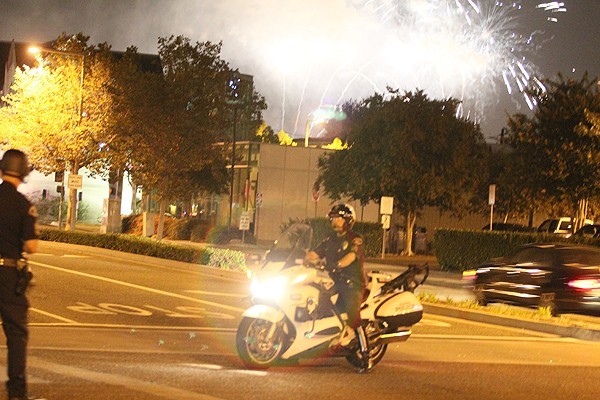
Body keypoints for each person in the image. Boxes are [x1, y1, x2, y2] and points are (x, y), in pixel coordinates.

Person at [0, 149, 43, 400]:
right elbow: (31, 246)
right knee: (16, 333)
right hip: (8, 274)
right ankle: (16, 392)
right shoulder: (23, 205)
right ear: (23, 173)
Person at [306, 203, 365, 347]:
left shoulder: (355, 239)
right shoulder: (330, 239)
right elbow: (315, 253)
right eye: (332, 218)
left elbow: (351, 256)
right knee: (319, 300)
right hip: (333, 280)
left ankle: (360, 342)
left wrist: (337, 264)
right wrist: (301, 257)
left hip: (351, 281)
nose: (334, 221)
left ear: (348, 221)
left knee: (351, 309)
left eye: (338, 218)